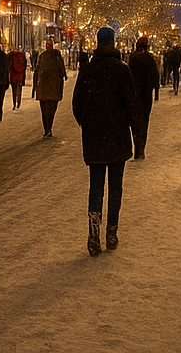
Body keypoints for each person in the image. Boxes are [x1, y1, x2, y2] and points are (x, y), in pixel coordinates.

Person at [71, 27, 136, 256]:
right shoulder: (121, 71)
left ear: (97, 43)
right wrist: (132, 132)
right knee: (115, 187)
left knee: (96, 187)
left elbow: (76, 105)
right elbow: (132, 106)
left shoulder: (88, 72)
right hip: (117, 138)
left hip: (96, 138)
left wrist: (89, 125)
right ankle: (111, 231)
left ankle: (93, 233)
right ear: (114, 43)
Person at [128, 37, 161, 160]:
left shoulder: (133, 58)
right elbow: (155, 75)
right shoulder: (149, 58)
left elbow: (129, 74)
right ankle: (141, 147)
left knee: (135, 120)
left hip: (135, 92)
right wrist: (156, 90)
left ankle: (137, 145)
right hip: (146, 92)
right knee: (145, 119)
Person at [33, 36, 68, 139]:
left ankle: (47, 129)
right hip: (52, 87)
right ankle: (48, 128)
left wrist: (35, 86)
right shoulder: (56, 56)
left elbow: (37, 70)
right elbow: (62, 71)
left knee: (45, 110)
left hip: (44, 87)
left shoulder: (44, 56)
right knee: (51, 109)